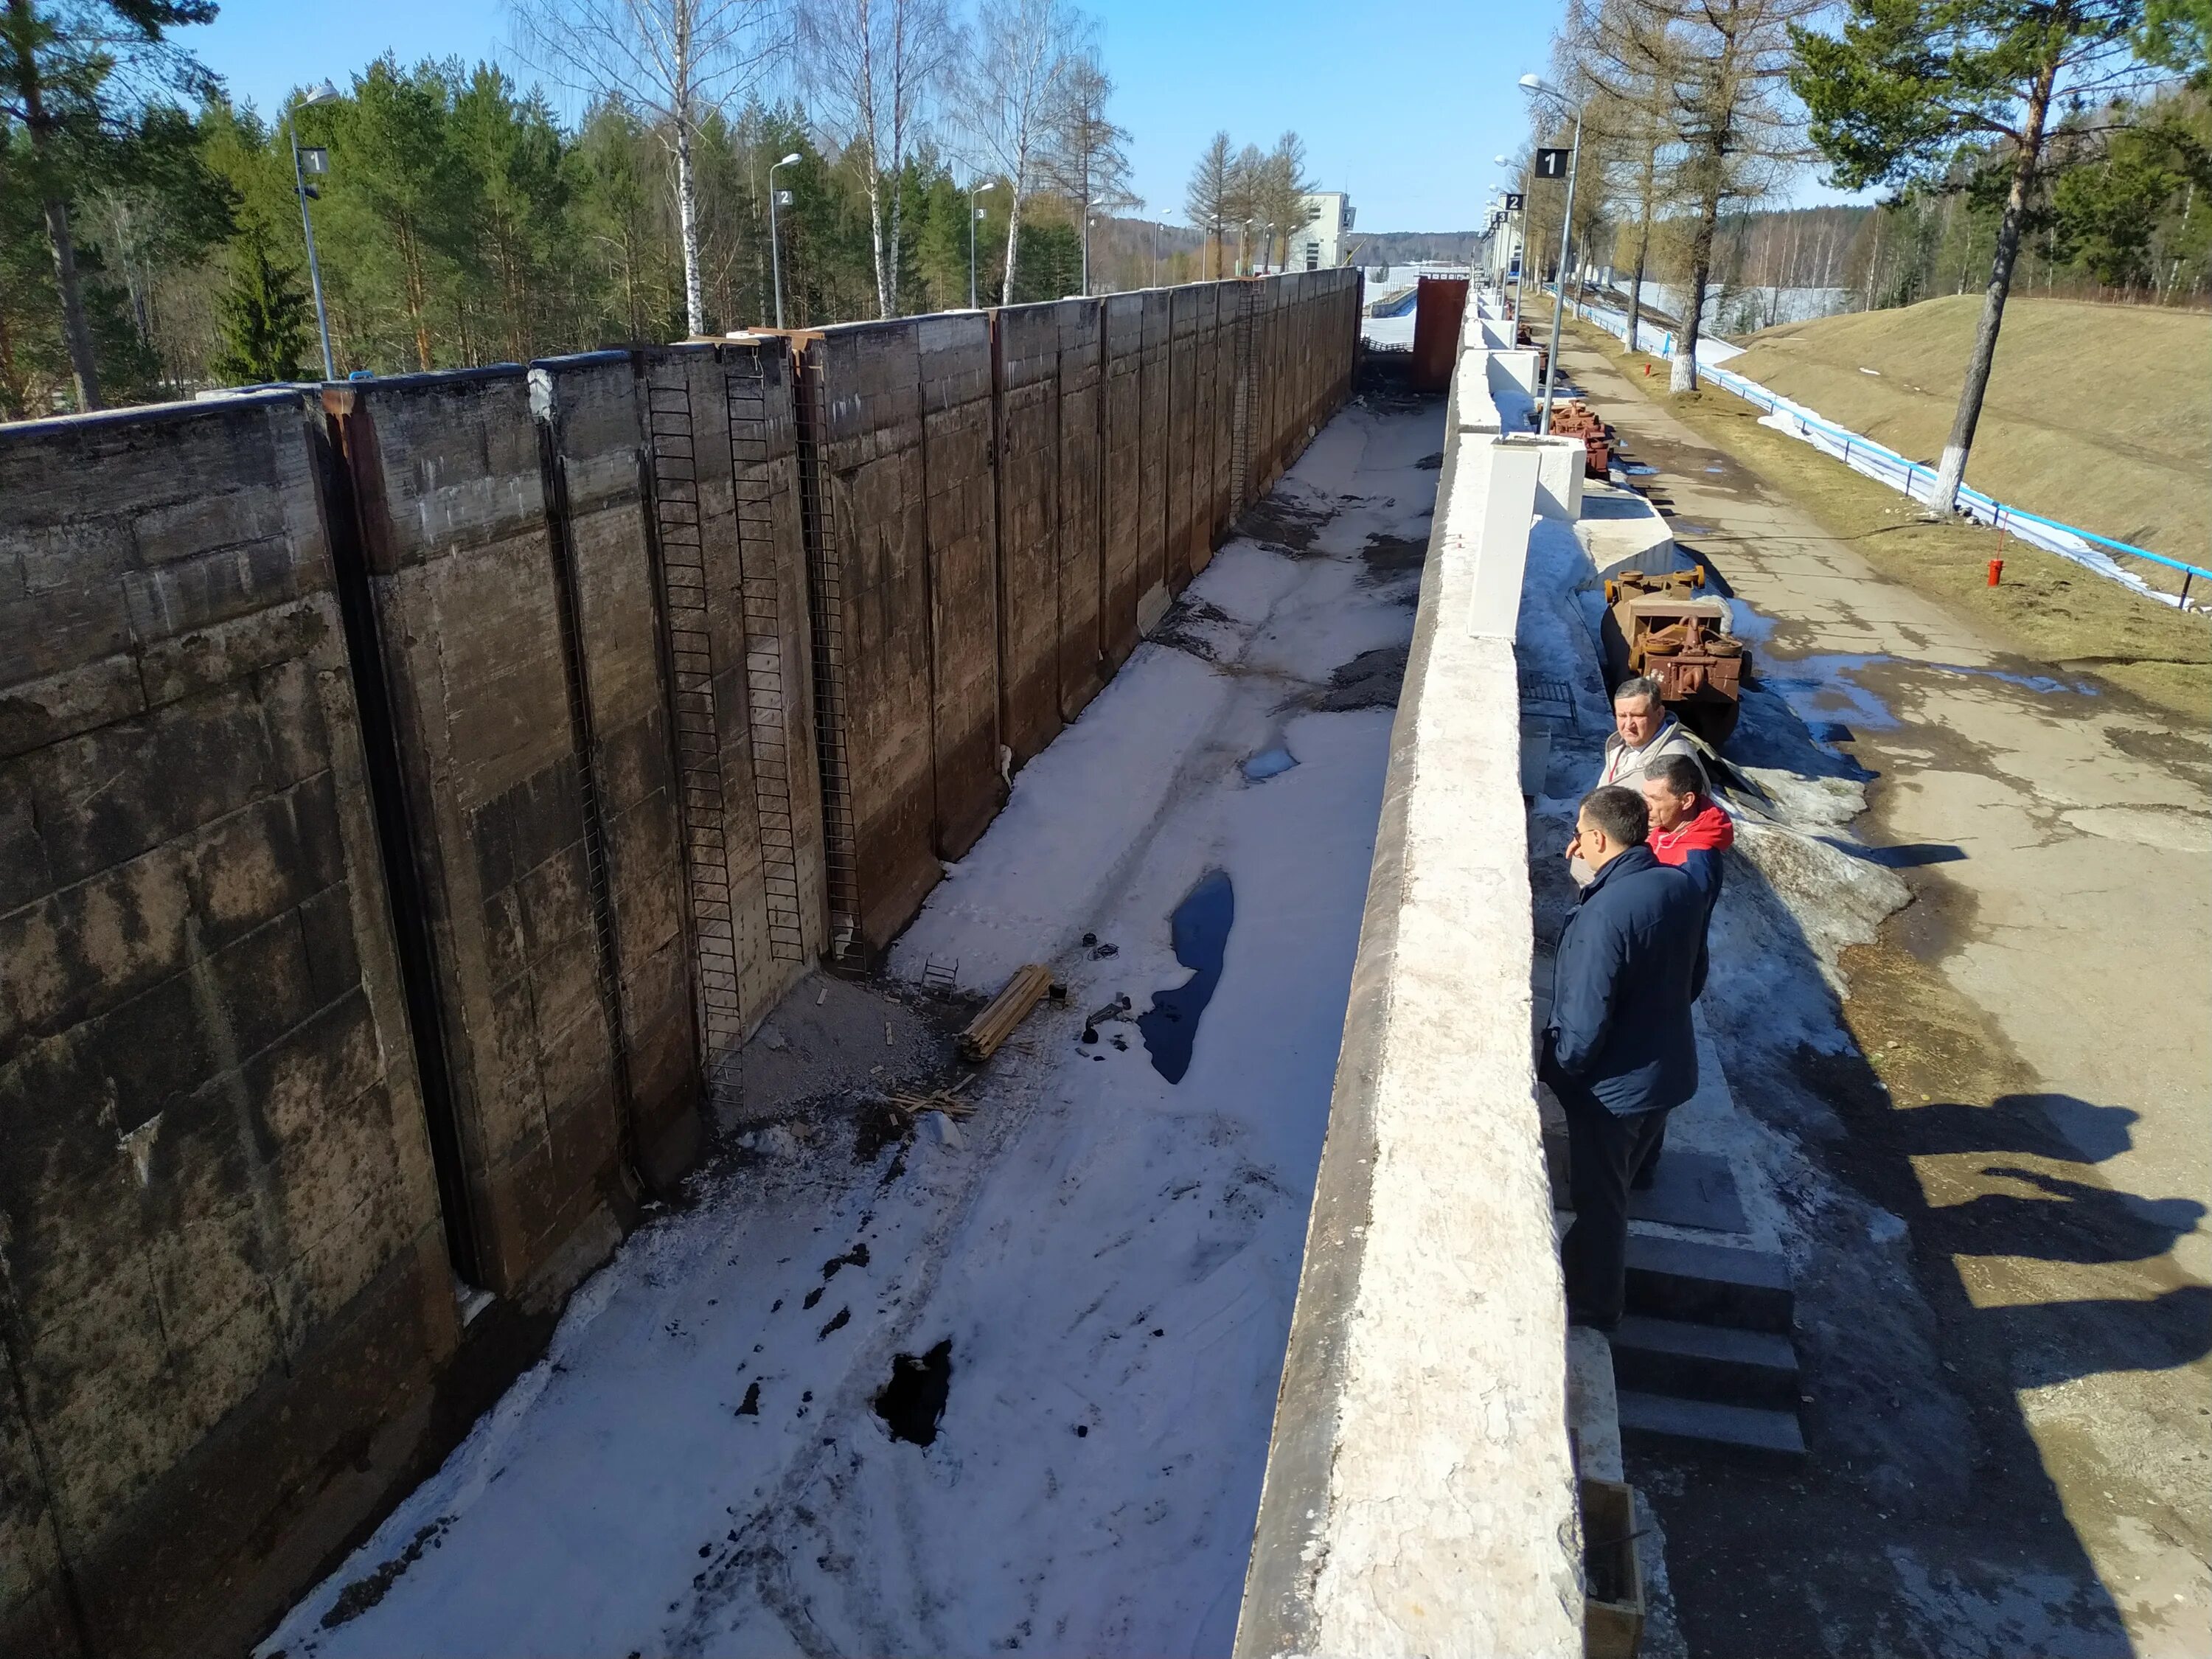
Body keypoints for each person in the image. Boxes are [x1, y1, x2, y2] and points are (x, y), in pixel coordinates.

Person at [1540, 785, 1705, 1332]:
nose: (1574, 845)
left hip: (1613, 1093)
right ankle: (1643, 1174)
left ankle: (1595, 1304)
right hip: (1668, 1067)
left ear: (1595, 837)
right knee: (1630, 1169)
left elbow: (1583, 1026)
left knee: (1600, 1203)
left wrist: (1559, 1071)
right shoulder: (1679, 887)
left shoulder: (1603, 917)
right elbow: (1695, 976)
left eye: (1580, 835)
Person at [1628, 754, 1736, 1192]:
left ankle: (1639, 1166)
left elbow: (1672, 928)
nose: (1647, 808)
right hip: (1663, 970)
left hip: (1665, 976)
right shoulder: (1674, 832)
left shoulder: (1696, 861)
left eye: (1656, 799)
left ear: (1687, 800)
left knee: (1645, 1071)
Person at [1599, 675, 1708, 793]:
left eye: (1638, 716)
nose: (1629, 725)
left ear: (1660, 713)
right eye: (1622, 716)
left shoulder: (1678, 761)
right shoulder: (1619, 746)